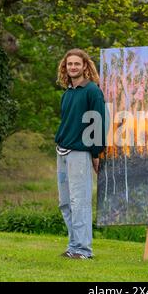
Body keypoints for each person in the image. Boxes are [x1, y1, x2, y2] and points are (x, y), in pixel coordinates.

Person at [55, 48, 105, 259]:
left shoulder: (92, 90)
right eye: (69, 64)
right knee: (65, 202)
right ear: (65, 67)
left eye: (77, 64)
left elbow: (98, 123)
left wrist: (95, 154)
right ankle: (73, 246)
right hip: (62, 152)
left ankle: (84, 250)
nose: (73, 67)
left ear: (85, 66)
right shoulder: (68, 92)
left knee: (80, 202)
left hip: (80, 153)